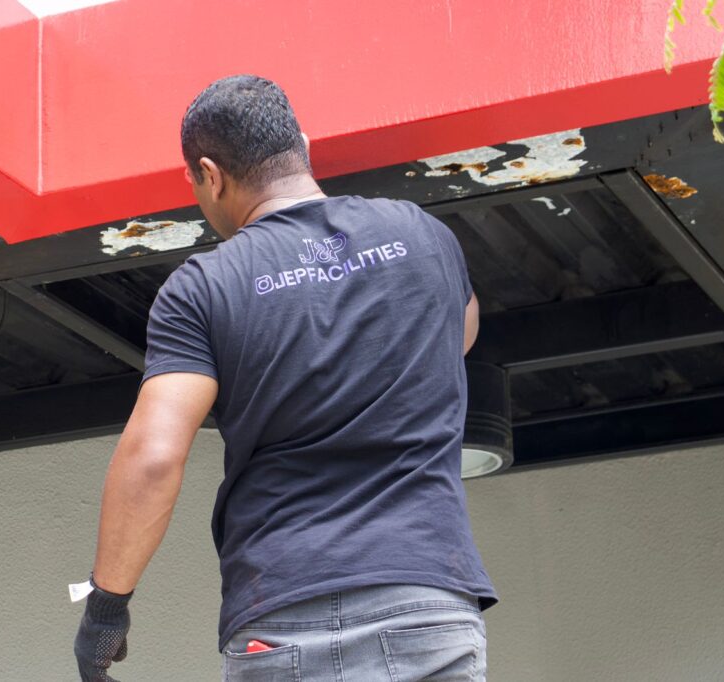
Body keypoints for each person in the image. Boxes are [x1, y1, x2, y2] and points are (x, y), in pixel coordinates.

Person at [73, 74, 498, 682]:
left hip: (287, 615)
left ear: (210, 175)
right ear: (302, 145)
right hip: (428, 601)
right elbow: (458, 336)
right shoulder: (423, 235)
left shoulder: (205, 288)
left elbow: (155, 457)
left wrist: (106, 609)